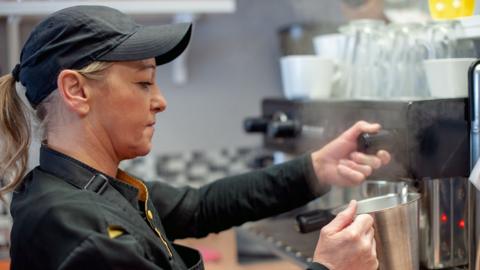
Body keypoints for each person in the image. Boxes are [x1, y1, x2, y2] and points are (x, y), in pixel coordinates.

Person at [0, 5, 390, 270]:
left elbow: (203, 206)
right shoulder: (78, 230)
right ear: (76, 91)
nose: (160, 101)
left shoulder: (99, 189)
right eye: (142, 82)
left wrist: (317, 168)